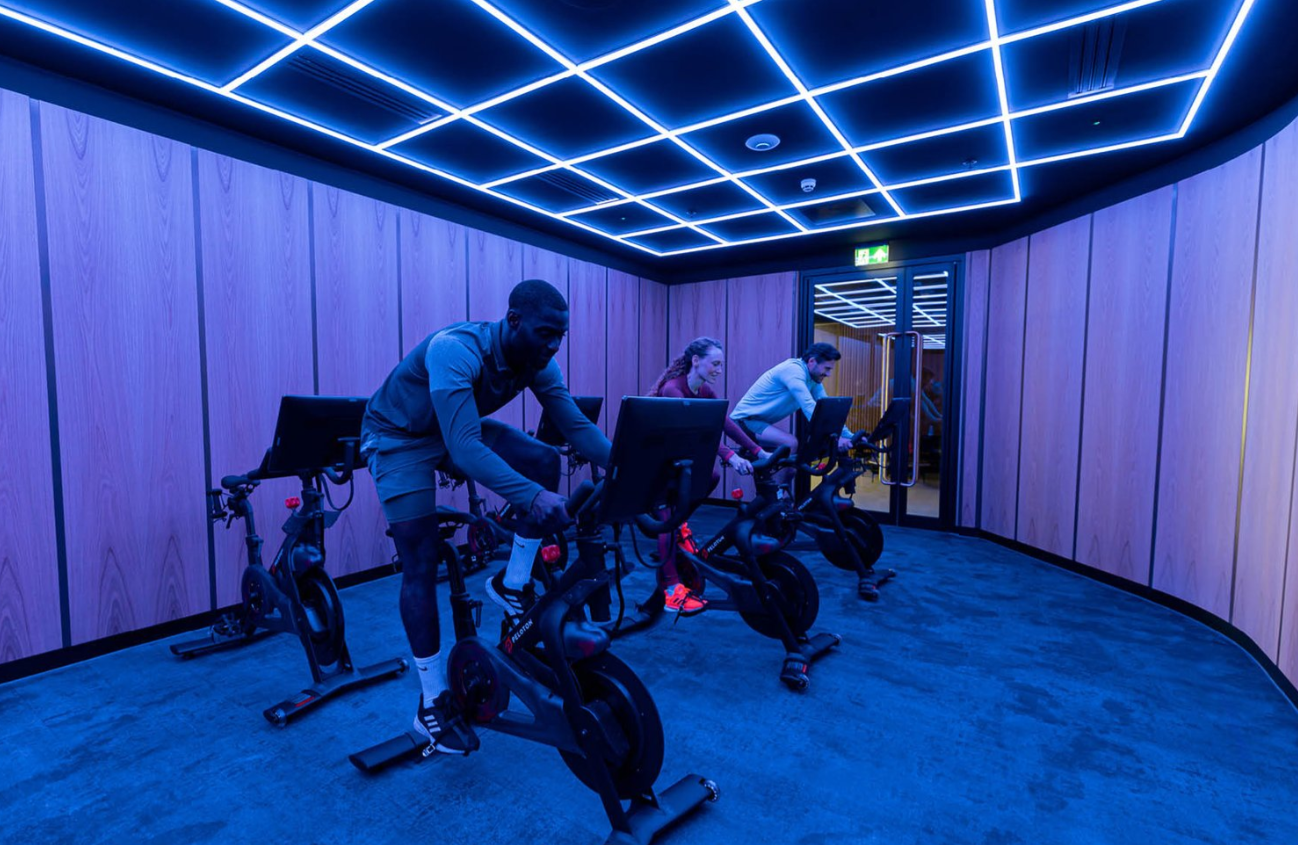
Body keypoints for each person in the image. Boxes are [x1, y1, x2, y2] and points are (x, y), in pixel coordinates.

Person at [360, 279, 610, 752]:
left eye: (560, 335)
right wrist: (533, 499)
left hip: (455, 429)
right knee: (420, 560)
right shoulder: (456, 350)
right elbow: (466, 449)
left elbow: (576, 426)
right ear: (513, 321)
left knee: (544, 460)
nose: (553, 344)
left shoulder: (538, 361)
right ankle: (432, 700)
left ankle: (511, 583)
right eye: (544, 333)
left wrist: (629, 466)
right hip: (397, 437)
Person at [647, 337, 768, 614]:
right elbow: (697, 432)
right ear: (696, 361)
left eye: (721, 364)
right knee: (666, 520)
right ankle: (670, 590)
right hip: (654, 461)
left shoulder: (706, 393)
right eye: (715, 363)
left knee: (711, 478)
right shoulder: (672, 391)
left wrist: (759, 452)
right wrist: (730, 456)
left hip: (677, 460)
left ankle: (681, 524)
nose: (719, 369)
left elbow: (724, 424)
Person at [730, 343, 854, 471]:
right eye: (827, 369)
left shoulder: (813, 379)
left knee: (791, 461)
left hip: (758, 422)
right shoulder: (793, 370)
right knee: (790, 443)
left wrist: (849, 436)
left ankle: (779, 488)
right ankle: (778, 491)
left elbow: (827, 411)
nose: (828, 374)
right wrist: (834, 438)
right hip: (743, 421)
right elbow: (809, 406)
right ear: (811, 361)